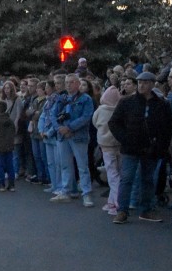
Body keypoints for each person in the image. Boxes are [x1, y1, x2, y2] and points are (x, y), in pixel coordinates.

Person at [109, 71, 172, 224]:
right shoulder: (127, 102)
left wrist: (161, 146)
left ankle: (146, 209)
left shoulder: (161, 104)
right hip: (131, 147)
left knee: (148, 179)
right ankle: (122, 211)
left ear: (152, 84)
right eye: (139, 82)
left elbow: (168, 126)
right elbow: (114, 122)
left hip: (151, 147)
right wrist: (125, 139)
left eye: (145, 82)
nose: (141, 85)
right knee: (127, 179)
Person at [53, 74, 97, 207]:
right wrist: (60, 128)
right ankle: (66, 191)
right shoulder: (62, 98)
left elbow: (86, 117)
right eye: (67, 82)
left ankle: (86, 193)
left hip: (78, 136)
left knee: (82, 166)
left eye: (71, 82)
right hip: (63, 136)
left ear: (78, 84)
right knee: (65, 165)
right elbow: (53, 115)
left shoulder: (86, 99)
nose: (68, 85)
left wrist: (69, 127)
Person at [92, 86, 123, 215]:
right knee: (118, 172)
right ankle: (111, 201)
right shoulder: (120, 109)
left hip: (106, 145)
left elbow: (95, 122)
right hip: (119, 144)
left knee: (112, 174)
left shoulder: (101, 110)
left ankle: (117, 203)